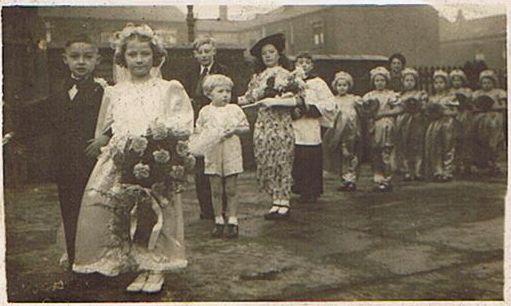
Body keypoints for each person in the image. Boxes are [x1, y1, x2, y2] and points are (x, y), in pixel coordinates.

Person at [72, 24, 194, 293]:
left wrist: (160, 138)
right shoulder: (115, 91)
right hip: (122, 158)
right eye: (132, 55)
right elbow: (107, 125)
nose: (139, 60)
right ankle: (136, 264)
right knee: (118, 210)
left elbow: (184, 123)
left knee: (155, 212)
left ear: (155, 56)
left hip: (155, 158)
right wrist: (108, 142)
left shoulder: (168, 88)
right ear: (122, 58)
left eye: (144, 54)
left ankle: (156, 267)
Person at [17, 34, 109, 268]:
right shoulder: (60, 90)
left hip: (92, 162)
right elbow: (45, 119)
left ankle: (95, 258)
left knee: (93, 211)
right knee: (69, 210)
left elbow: (116, 119)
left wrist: (104, 138)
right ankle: (75, 257)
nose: (81, 62)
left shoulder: (104, 92)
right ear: (64, 59)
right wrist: (14, 134)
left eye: (88, 57)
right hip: (65, 163)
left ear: (97, 60)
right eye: (75, 57)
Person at [238, 33, 302, 219]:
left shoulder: (288, 75)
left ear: (278, 54)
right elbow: (249, 97)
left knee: (282, 160)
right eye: (264, 53)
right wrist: (229, 99)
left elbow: (299, 100)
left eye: (271, 52)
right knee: (266, 160)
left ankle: (284, 201)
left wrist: (277, 101)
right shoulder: (258, 77)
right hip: (263, 124)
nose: (268, 56)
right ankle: (275, 200)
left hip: (280, 123)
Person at [194, 74, 249, 238]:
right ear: (209, 93)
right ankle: (218, 219)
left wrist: (234, 130)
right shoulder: (205, 111)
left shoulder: (235, 110)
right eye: (220, 91)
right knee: (216, 188)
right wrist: (208, 135)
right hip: (213, 151)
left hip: (231, 150)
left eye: (228, 91)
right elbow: (198, 131)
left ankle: (232, 220)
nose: (225, 95)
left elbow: (245, 127)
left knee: (231, 188)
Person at [186, 36, 230, 220]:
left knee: (219, 167)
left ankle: (222, 209)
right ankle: (206, 209)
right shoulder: (190, 72)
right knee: (201, 167)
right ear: (195, 55)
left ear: (214, 52)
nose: (204, 55)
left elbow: (229, 97)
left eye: (207, 51)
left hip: (217, 122)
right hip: (198, 123)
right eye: (200, 52)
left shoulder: (223, 71)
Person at [290, 52, 335, 203]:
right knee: (297, 156)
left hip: (310, 123)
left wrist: (311, 109)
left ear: (312, 65)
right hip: (295, 123)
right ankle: (299, 186)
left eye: (307, 62)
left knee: (310, 156)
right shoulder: (291, 82)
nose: (303, 65)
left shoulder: (318, 83)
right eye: (300, 62)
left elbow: (329, 103)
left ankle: (312, 190)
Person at [362, 66, 402, 192]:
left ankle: (387, 179)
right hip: (373, 127)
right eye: (377, 80)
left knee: (386, 152)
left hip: (385, 125)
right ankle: (378, 179)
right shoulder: (369, 96)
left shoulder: (390, 95)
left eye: (382, 80)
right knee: (375, 153)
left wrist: (385, 113)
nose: (380, 83)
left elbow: (399, 109)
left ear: (386, 81)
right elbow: (363, 110)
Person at [323, 71, 363, 192]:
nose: (342, 88)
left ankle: (351, 178)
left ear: (349, 86)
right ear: (335, 86)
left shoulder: (353, 99)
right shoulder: (333, 100)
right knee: (340, 153)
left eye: (344, 85)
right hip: (338, 131)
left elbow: (361, 111)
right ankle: (344, 179)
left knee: (350, 153)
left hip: (351, 130)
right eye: (339, 85)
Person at [424, 70, 459, 182]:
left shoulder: (451, 97)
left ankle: (447, 170)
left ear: (446, 83)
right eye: (436, 82)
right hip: (434, 124)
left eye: (441, 82)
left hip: (447, 123)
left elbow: (455, 112)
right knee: (435, 147)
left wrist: (443, 112)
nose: (439, 85)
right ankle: (437, 171)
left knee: (448, 145)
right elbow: (427, 112)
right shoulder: (432, 98)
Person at [471, 69, 507, 174]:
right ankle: (485, 162)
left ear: (493, 82)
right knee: (482, 140)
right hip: (481, 119)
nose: (486, 85)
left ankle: (496, 164)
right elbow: (474, 107)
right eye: (484, 83)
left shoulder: (498, 93)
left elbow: (503, 106)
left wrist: (492, 106)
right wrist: (480, 108)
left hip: (495, 117)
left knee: (494, 141)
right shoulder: (477, 93)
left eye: (489, 82)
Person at [395, 68, 427, 181]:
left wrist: (419, 107)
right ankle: (406, 171)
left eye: (411, 80)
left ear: (415, 81)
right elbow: (397, 108)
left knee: (417, 145)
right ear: (403, 81)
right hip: (404, 121)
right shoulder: (399, 95)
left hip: (417, 121)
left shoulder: (420, 94)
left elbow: (424, 107)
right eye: (407, 80)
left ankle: (418, 171)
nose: (409, 82)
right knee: (404, 145)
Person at [449, 69, 474, 175]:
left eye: (459, 80)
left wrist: (466, 103)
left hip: (465, 115)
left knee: (466, 140)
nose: (456, 82)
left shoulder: (467, 91)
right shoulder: (450, 92)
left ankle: (467, 164)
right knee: (455, 140)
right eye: (454, 80)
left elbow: (471, 104)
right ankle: (456, 164)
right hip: (455, 116)